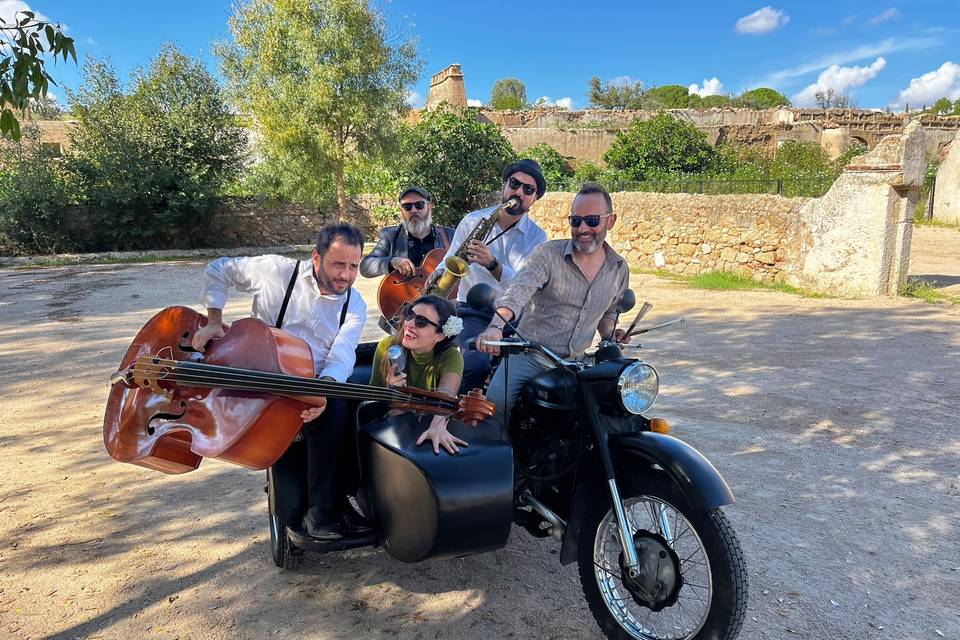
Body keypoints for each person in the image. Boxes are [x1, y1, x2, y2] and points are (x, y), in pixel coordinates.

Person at [192, 222, 368, 541]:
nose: (346, 275)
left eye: (353, 266)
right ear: (316, 257)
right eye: (338, 264)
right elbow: (218, 269)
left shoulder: (354, 304)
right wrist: (214, 320)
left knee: (347, 409)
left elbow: (342, 355)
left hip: (311, 383)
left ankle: (332, 505)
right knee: (329, 417)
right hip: (263, 378)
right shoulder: (275, 271)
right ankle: (322, 511)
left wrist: (323, 391)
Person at [476, 182, 630, 433]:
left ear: (610, 221)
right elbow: (518, 292)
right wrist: (495, 327)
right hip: (531, 357)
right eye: (575, 221)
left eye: (592, 221)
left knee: (602, 417)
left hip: (576, 365)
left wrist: (612, 333)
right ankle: (494, 467)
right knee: (494, 408)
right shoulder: (548, 255)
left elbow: (609, 312)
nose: (582, 229)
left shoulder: (618, 268)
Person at [431, 159, 549, 392]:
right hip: (472, 311)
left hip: (513, 317)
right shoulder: (473, 221)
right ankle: (457, 415)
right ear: (505, 186)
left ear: (534, 199)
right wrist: (436, 278)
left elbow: (524, 284)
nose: (519, 192)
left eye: (528, 189)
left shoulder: (537, 237)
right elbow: (450, 259)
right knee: (474, 364)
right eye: (515, 184)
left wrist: (492, 263)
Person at [369, 295, 467, 455]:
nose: (409, 324)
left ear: (440, 335)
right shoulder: (387, 346)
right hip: (391, 424)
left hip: (427, 422)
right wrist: (389, 390)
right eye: (409, 314)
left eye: (421, 322)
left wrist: (437, 425)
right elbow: (371, 401)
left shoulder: (450, 356)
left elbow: (447, 394)